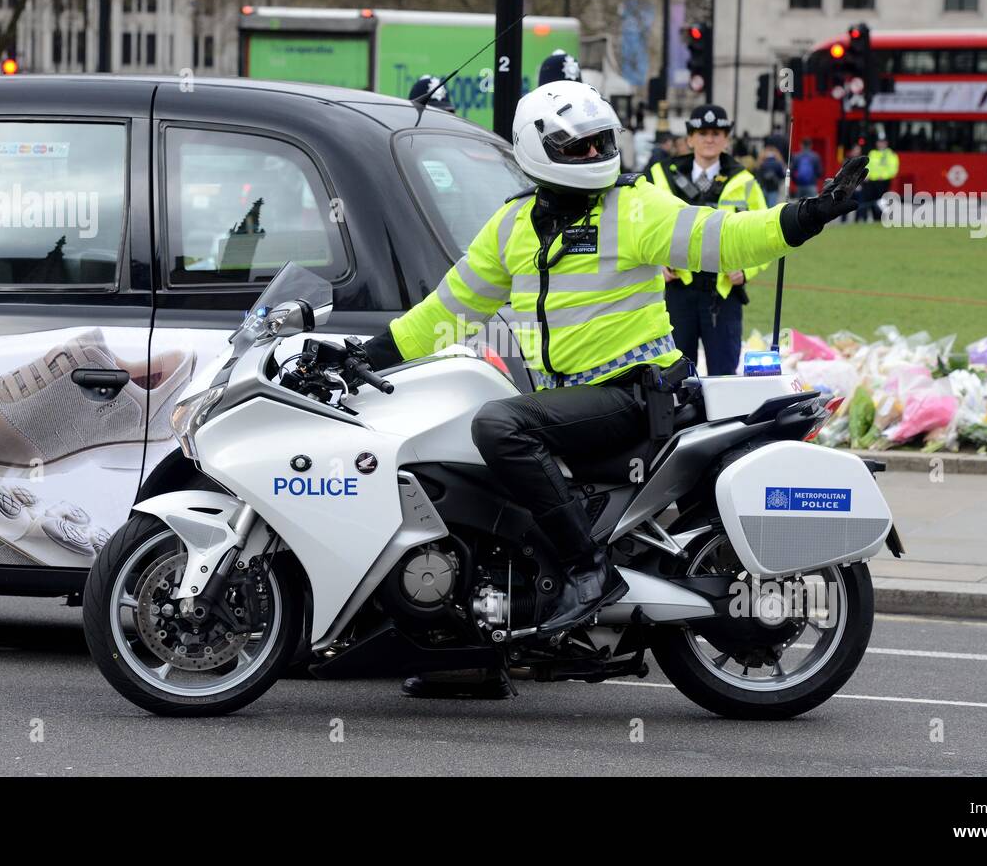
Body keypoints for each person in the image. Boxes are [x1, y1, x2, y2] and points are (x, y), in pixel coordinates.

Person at [362, 80, 867, 698]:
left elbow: (725, 237)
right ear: (537, 149)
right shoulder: (513, 227)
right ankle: (470, 649)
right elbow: (442, 312)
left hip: (632, 396)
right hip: (576, 402)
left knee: (499, 425)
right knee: (470, 457)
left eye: (602, 141)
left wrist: (809, 212)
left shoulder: (632, 209)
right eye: (580, 145)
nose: (596, 152)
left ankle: (588, 569)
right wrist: (360, 357)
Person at [644, 104, 769, 377]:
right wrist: (657, 266)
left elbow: (763, 234)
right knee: (673, 375)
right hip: (677, 291)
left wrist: (746, 270)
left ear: (726, 138)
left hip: (722, 295)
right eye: (702, 133)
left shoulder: (745, 181)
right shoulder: (659, 175)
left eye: (716, 132)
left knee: (723, 376)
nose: (709, 139)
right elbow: (640, 227)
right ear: (689, 138)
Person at [864, 135, 899, 220]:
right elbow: (868, 165)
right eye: (879, 142)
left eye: (883, 142)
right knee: (871, 200)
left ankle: (882, 218)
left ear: (886, 143)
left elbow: (893, 169)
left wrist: (883, 176)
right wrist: (866, 175)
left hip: (883, 182)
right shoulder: (872, 153)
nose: (881, 144)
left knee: (881, 201)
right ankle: (875, 218)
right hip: (871, 181)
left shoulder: (891, 155)